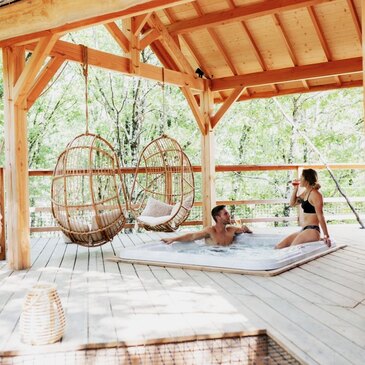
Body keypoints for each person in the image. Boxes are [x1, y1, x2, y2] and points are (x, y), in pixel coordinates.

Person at [275, 169, 331, 249]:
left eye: (301, 177)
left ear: (307, 179)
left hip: (312, 230)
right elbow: (292, 203)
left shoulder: (316, 194)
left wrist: (326, 235)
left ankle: (318, 238)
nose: (299, 179)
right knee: (279, 247)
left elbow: (320, 216)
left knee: (291, 250)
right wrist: (295, 189)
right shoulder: (306, 192)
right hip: (304, 230)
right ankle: (318, 239)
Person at [161, 205, 252, 246]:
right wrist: (173, 239)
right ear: (218, 217)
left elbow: (244, 229)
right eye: (225, 214)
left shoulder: (231, 230)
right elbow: (192, 236)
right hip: (213, 257)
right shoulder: (210, 231)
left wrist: (245, 228)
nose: (229, 215)